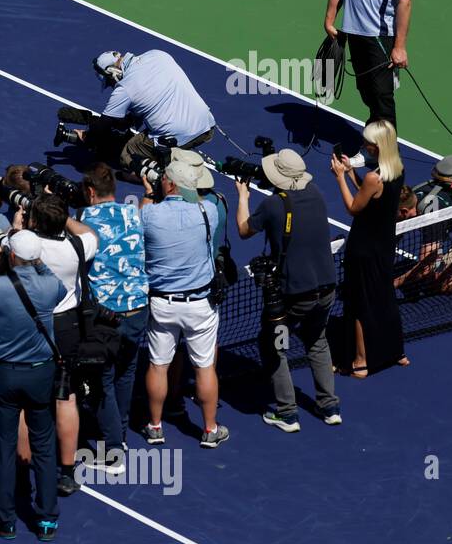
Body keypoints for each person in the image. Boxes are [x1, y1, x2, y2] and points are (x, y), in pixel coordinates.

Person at [235, 149, 343, 431]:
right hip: (327, 290)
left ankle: (287, 413)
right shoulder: (317, 194)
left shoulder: (272, 205)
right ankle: (329, 407)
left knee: (274, 347)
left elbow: (245, 230)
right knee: (317, 341)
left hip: (294, 297)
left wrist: (243, 197)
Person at [0, 231, 66, 541]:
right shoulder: (50, 284)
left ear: (11, 254)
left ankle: (5, 519)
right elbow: (58, 287)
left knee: (3, 447)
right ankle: (47, 518)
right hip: (40, 374)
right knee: (44, 447)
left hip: (3, 375)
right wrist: (36, 261)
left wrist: (1, 264)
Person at [139, 160, 230, 448]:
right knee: (205, 368)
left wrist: (150, 193)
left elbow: (141, 221)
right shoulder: (209, 211)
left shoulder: (149, 214)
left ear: (170, 184)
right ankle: (210, 428)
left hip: (162, 304)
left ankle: (155, 426)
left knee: (158, 365)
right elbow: (204, 200)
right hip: (199, 306)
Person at [78, 163, 149, 468]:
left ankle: (114, 450)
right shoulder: (133, 212)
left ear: (90, 192)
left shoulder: (83, 219)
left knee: (101, 380)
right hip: (139, 309)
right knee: (127, 370)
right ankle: (119, 428)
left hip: (107, 318)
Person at [28, 193, 100, 492]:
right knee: (66, 395)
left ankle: (23, 462)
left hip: (33, 327)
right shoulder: (78, 245)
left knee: (26, 398)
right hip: (68, 326)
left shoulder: (27, 248)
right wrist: (63, 214)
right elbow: (89, 233)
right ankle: (68, 470)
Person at [331, 119, 410, 375]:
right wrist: (353, 174)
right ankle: (396, 351)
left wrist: (341, 177)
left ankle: (360, 361)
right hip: (384, 245)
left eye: (367, 142)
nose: (364, 144)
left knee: (359, 304)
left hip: (364, 249)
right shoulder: (398, 170)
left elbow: (354, 208)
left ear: (377, 147)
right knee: (384, 297)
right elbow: (371, 197)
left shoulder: (374, 178)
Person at [63, 50, 217, 174]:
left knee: (128, 153)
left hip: (177, 137)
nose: (111, 86)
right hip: (207, 126)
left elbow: (103, 127)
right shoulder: (158, 54)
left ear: (112, 72)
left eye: (109, 82)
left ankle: (159, 176)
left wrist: (88, 135)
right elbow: (131, 119)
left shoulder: (124, 89)